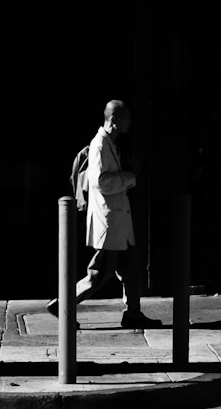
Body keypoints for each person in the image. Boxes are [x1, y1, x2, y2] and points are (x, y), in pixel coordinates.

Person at [47, 99, 163, 330]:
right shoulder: (100, 144)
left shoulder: (110, 143)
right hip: (109, 222)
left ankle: (133, 313)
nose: (130, 122)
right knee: (100, 273)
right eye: (126, 118)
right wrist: (130, 176)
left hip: (118, 222)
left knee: (130, 270)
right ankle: (62, 304)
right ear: (115, 120)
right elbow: (101, 182)